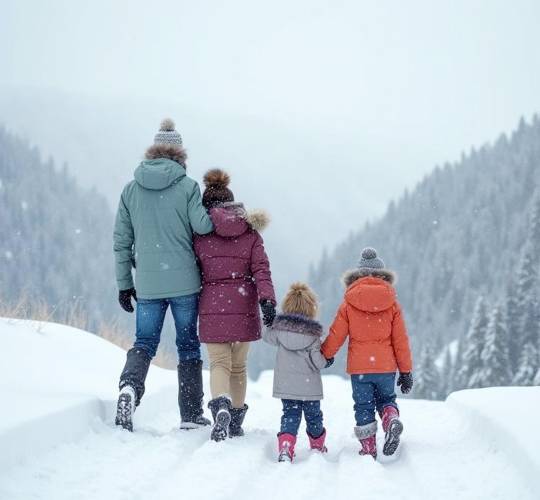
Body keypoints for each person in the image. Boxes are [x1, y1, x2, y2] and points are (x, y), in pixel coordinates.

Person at [113, 118, 214, 431]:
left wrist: (124, 285)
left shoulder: (131, 189)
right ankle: (190, 414)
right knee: (187, 346)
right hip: (184, 281)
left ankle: (129, 388)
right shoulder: (187, 186)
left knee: (144, 342)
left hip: (148, 284)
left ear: (153, 151)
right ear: (179, 152)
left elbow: (121, 242)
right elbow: (203, 227)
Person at [194, 169, 276, 442]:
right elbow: (262, 270)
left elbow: (191, 270)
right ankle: (237, 419)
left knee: (219, 363)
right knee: (239, 368)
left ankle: (220, 407)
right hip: (243, 306)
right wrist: (267, 300)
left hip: (212, 305)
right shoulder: (251, 233)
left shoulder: (200, 234)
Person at [321, 248, 413, 459]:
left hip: (360, 368)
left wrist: (326, 354)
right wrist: (406, 371)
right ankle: (390, 419)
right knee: (386, 400)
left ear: (359, 274)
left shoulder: (349, 303)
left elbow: (337, 334)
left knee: (363, 406)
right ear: (382, 275)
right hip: (386, 367)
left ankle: (369, 447)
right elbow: (401, 341)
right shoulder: (392, 304)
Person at [263, 282, 332, 462]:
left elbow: (266, 336)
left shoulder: (279, 331)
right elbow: (318, 362)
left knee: (290, 416)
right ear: (311, 308)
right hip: (309, 389)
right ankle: (317, 446)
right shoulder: (313, 335)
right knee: (314, 416)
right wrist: (327, 361)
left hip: (287, 386)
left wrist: (269, 323)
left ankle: (286, 447)